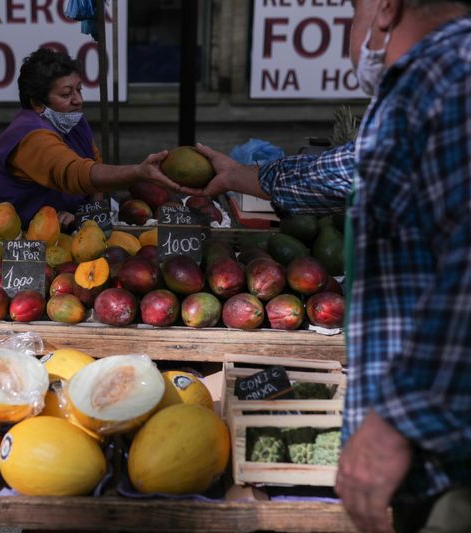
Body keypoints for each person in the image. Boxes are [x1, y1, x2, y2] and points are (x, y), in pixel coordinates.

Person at [199, 1, 471, 531]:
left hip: (452, 453)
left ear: (385, 8)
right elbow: (350, 169)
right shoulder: (437, 79)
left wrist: (395, 422)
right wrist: (240, 176)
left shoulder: (448, 75)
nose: (351, 26)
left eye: (352, 9)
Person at [0, 47, 201, 253]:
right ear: (37, 103)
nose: (78, 100)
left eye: (79, 90)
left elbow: (94, 170)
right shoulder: (31, 136)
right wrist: (139, 172)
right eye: (66, 94)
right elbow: (79, 173)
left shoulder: (73, 121)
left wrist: (84, 212)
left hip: (55, 243)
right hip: (1, 250)